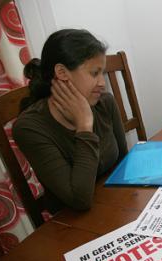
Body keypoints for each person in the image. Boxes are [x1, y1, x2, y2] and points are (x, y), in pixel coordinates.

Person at [13, 29, 128, 213]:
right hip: (72, 224)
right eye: (94, 73)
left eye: (102, 73)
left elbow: (124, 163)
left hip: (113, 205)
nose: (102, 83)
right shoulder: (29, 128)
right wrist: (84, 126)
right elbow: (79, 200)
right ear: (61, 72)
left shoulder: (105, 102)